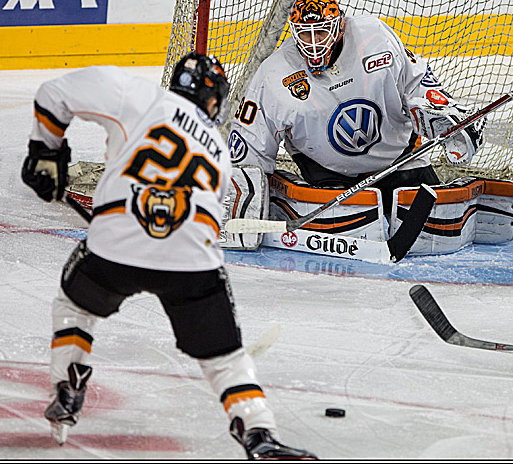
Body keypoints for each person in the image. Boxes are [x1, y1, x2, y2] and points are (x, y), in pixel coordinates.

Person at [21, 53, 316, 460]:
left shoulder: (137, 93)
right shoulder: (218, 148)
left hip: (115, 244)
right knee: (224, 358)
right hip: (191, 259)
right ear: (214, 102)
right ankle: (258, 432)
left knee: (74, 306)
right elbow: (205, 226)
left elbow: (52, 94)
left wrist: (45, 152)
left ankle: (68, 388)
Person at [230, 0, 483, 217]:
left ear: (340, 26)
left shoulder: (374, 36)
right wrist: (243, 200)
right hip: (327, 178)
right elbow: (251, 146)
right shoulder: (274, 74)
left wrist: (442, 114)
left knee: (432, 224)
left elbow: (416, 81)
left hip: (400, 161)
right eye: (305, 34)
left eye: (321, 31)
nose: (314, 42)